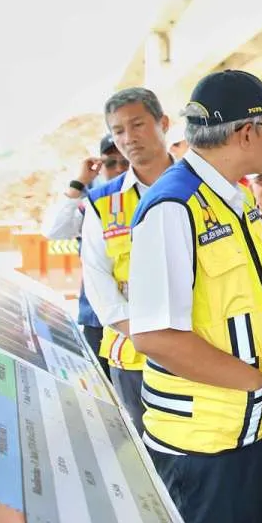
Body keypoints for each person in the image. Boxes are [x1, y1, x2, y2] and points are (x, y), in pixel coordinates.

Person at [128, 69, 262, 523]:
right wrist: (253, 380)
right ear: (247, 132)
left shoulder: (233, 198)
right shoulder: (173, 206)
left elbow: (256, 303)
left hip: (258, 429)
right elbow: (155, 333)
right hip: (208, 446)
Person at [80, 88, 174, 435]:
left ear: (163, 123)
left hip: (201, 351)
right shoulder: (102, 202)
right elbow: (99, 284)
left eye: (138, 124)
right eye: (118, 130)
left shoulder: (200, 188)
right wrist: (151, 339)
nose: (129, 137)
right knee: (148, 453)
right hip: (133, 357)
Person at [42, 134, 131, 377]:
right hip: (98, 319)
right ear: (100, 167)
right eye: (111, 163)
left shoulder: (150, 196)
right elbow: (56, 233)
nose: (119, 169)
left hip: (140, 321)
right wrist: (79, 182)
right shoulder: (93, 200)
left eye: (125, 162)